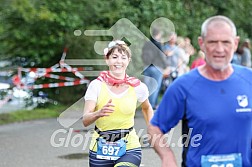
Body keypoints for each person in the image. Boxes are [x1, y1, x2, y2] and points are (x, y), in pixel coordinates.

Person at [148, 15, 252, 167]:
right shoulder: (183, 86)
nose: (219, 49)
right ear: (201, 44)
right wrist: (167, 156)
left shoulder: (249, 79)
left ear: (235, 43)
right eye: (212, 42)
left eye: (225, 42)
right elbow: (155, 127)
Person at [83, 40, 154, 167]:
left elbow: (147, 108)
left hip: (129, 145)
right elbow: (85, 120)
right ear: (107, 60)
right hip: (100, 146)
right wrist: (98, 113)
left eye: (123, 57)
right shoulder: (96, 85)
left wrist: (152, 130)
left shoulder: (138, 87)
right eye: (114, 57)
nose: (119, 61)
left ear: (128, 61)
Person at [142, 27, 168, 109]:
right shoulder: (158, 44)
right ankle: (151, 106)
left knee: (147, 88)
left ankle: (146, 105)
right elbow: (162, 56)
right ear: (159, 34)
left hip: (146, 67)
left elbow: (142, 55)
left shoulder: (146, 43)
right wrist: (166, 66)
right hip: (156, 68)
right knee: (155, 88)